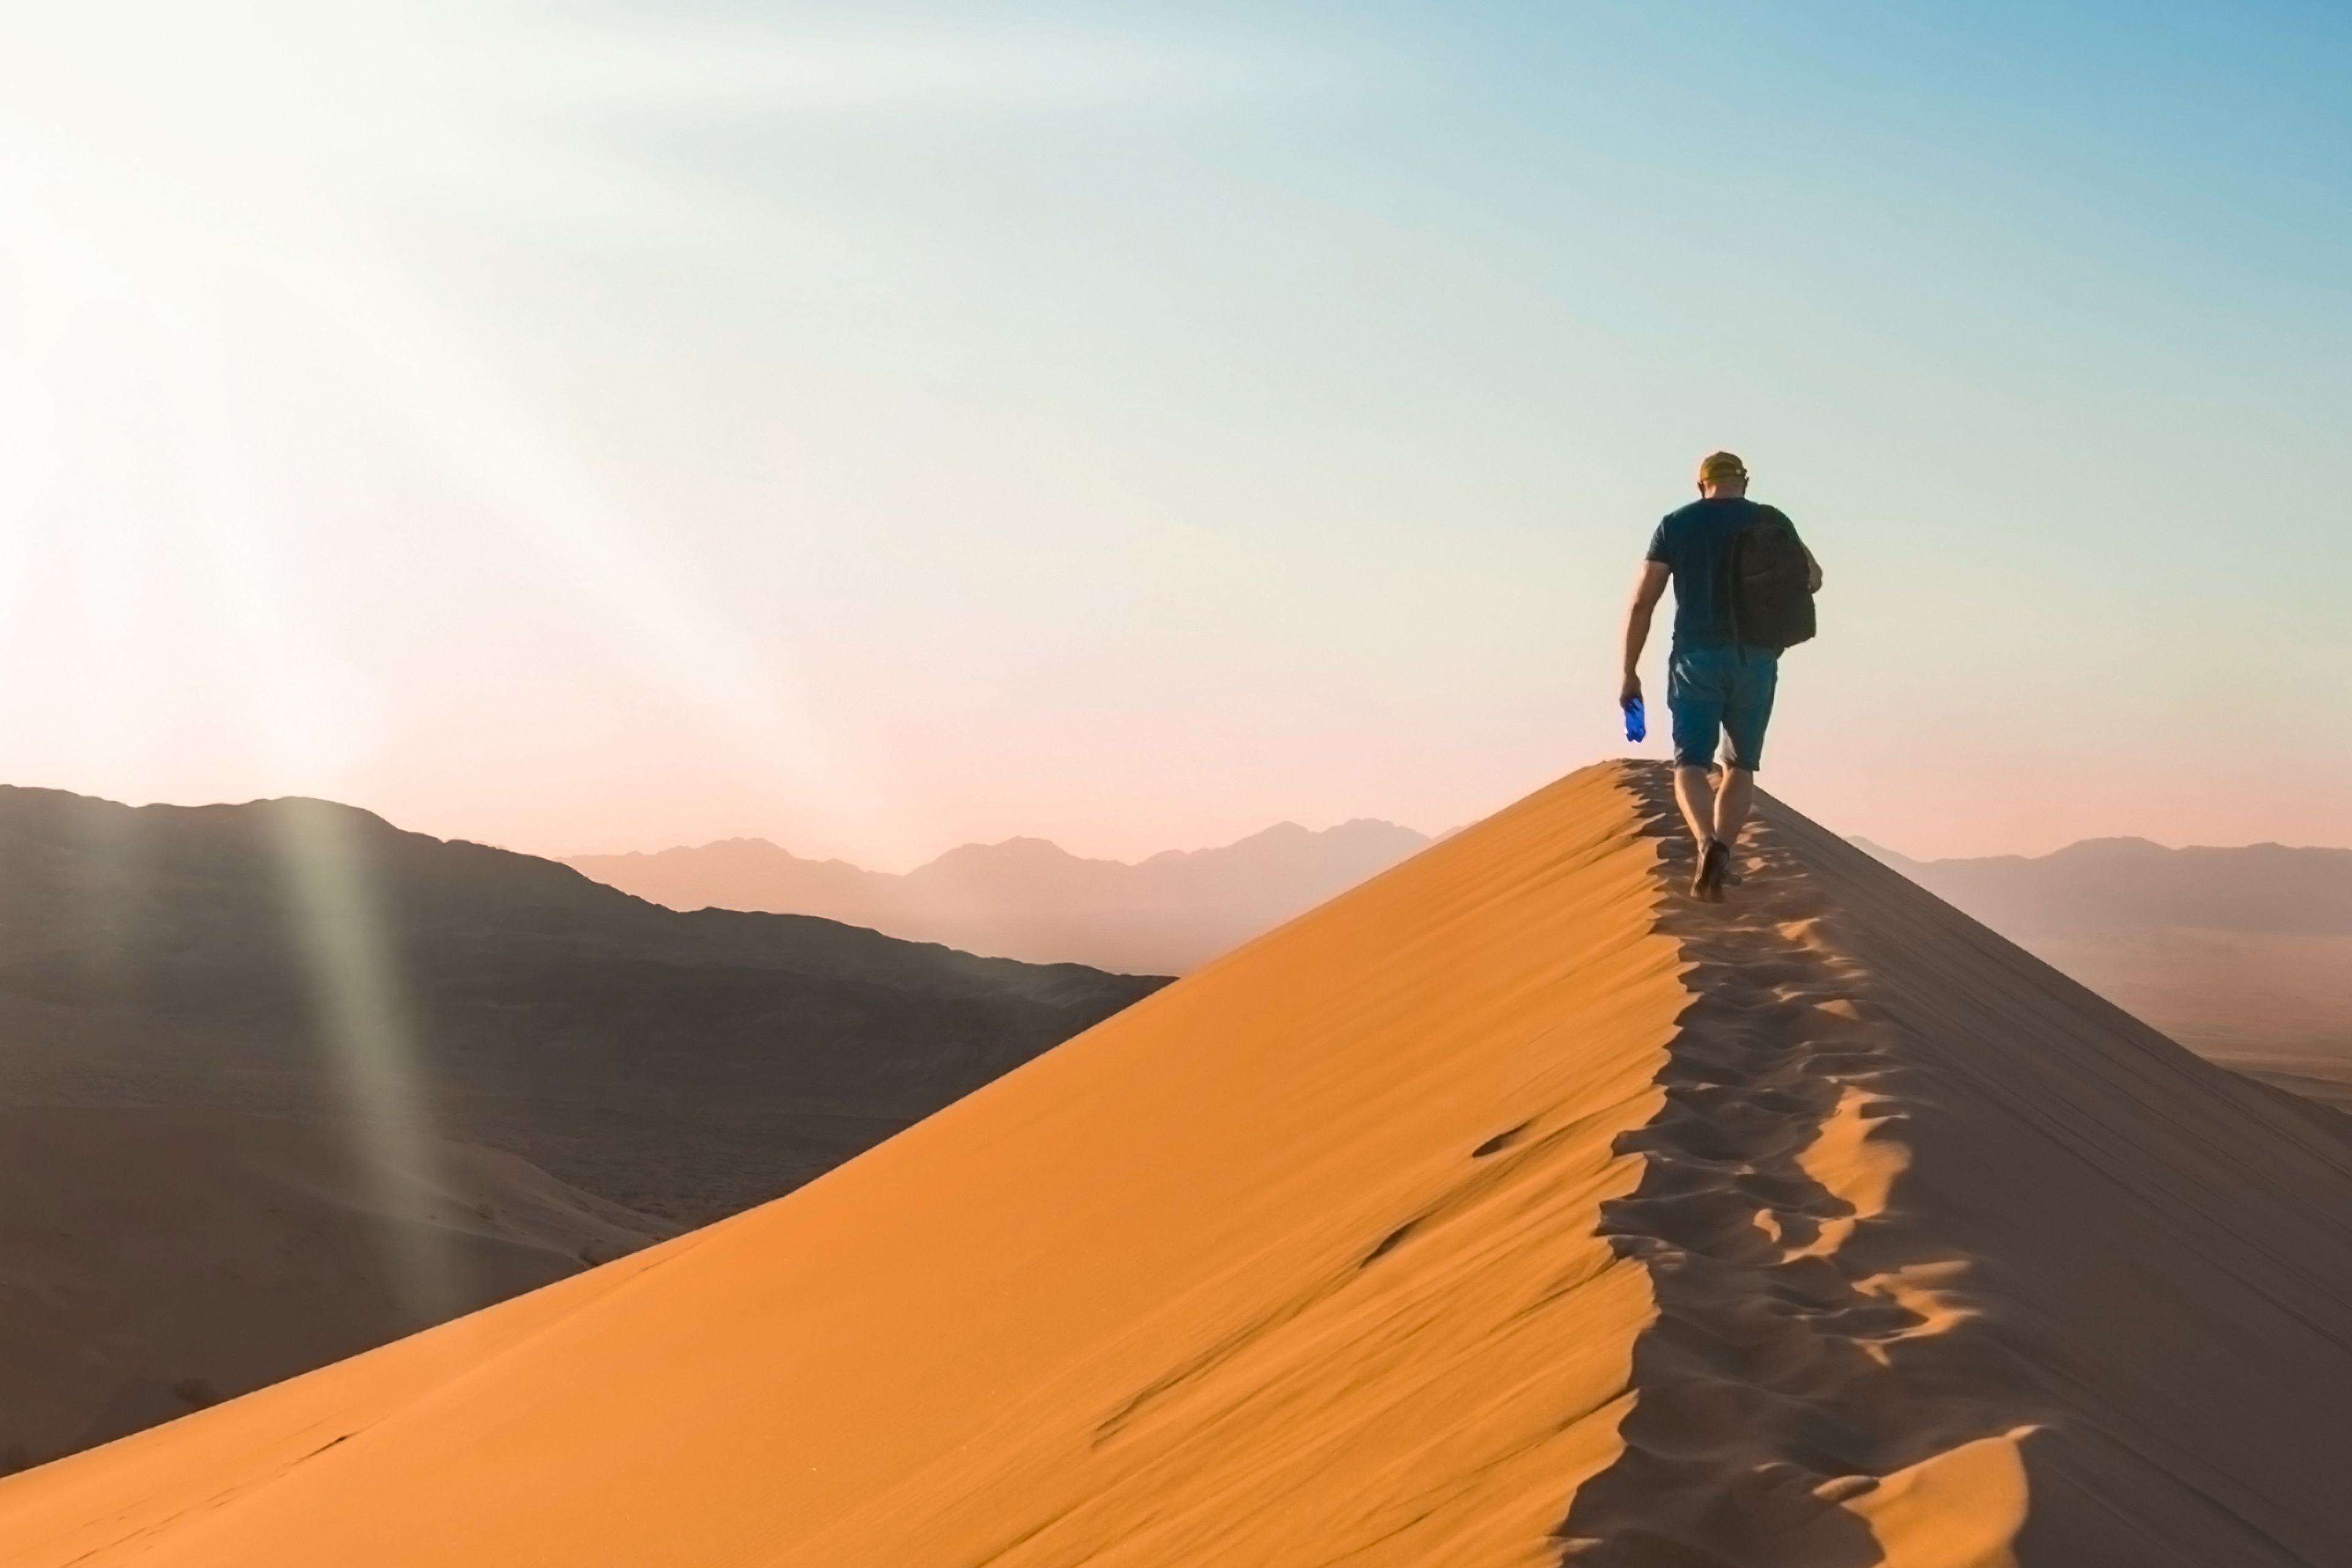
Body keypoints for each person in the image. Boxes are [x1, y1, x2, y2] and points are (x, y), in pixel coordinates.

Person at [1619, 451, 1822, 900]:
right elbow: (1815, 577)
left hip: (1695, 659)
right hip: (1756, 660)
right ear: (1744, 482)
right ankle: (1725, 850)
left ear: (1701, 485)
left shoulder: (1675, 525)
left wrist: (1630, 671)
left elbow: (1642, 602)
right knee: (1740, 766)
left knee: (1690, 764)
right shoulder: (1771, 520)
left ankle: (1705, 842)